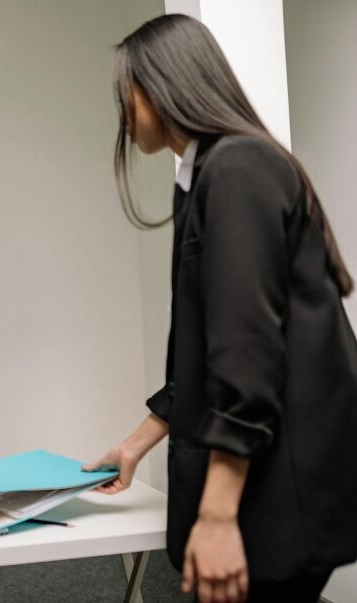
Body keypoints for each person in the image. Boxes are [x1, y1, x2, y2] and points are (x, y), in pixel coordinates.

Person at [83, 14, 357, 603]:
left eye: (124, 92)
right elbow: (203, 358)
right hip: (264, 484)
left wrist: (216, 517)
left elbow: (246, 357)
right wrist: (135, 445)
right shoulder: (209, 175)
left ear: (163, 85)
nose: (121, 112)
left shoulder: (236, 169)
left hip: (274, 493)